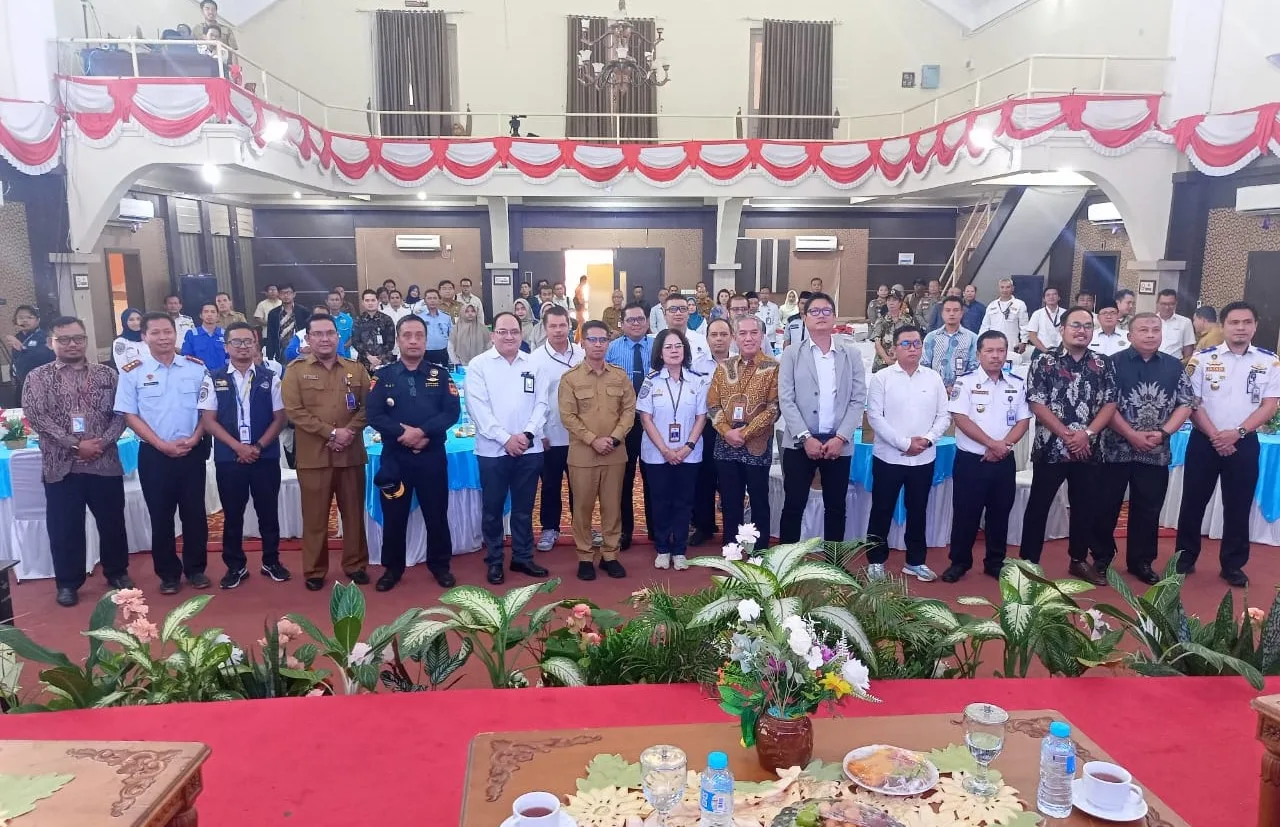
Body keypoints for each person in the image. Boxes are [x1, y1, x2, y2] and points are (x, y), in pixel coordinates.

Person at [23, 316, 132, 607]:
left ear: (86, 339)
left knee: (112, 522)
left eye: (78, 338)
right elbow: (37, 417)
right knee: (65, 526)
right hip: (61, 465)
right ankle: (68, 583)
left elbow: (122, 413)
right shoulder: (38, 377)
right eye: (65, 339)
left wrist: (101, 443)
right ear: (51, 343)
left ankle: (117, 572)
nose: (73, 344)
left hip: (103, 461)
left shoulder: (107, 375)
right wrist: (75, 445)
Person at [1177, 302, 1280, 587]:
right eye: (1234, 322)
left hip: (1244, 443)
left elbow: (1270, 405)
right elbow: (1192, 402)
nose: (1241, 328)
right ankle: (1184, 560)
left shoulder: (1269, 362)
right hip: (1204, 440)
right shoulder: (1202, 358)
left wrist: (1238, 432)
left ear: (1255, 326)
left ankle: (1233, 565)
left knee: (1238, 504)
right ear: (1223, 326)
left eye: (1247, 322)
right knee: (1193, 503)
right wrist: (1215, 435)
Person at [114, 311, 214, 594]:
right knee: (161, 516)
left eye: (167, 331)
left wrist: (195, 438)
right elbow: (129, 415)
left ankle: (196, 569)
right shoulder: (132, 372)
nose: (162, 337)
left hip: (191, 452)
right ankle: (168, 574)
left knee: (195, 513)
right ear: (144, 337)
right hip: (155, 455)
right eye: (155, 333)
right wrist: (160, 444)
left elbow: (206, 409)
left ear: (175, 333)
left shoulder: (196, 368)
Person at [1093, 313, 1194, 585]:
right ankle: (1101, 558)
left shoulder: (1175, 366)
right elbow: (1105, 405)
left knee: (1148, 508)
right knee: (1105, 505)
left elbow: (1186, 403)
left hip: (1155, 450)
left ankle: (1141, 562)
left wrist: (1164, 432)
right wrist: (1131, 435)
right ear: (1129, 335)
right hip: (1114, 449)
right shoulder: (1112, 364)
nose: (1150, 335)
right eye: (1143, 330)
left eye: (1155, 330)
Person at [1021, 307, 1117, 584]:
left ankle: (1078, 560)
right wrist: (1067, 435)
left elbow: (1110, 403)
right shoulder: (1045, 361)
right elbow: (1036, 402)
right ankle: (1028, 565)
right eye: (1075, 324)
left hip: (1088, 449)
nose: (1082, 330)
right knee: (1039, 507)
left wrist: (1086, 434)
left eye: (1088, 325)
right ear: (1062, 329)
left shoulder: (1103, 363)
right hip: (1050, 448)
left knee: (1085, 508)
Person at [366, 315, 461, 591]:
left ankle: (440, 566)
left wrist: (422, 433)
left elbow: (451, 412)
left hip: (431, 457)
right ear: (398, 340)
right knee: (394, 516)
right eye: (407, 335)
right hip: (396, 459)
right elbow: (374, 414)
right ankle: (392, 569)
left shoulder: (440, 375)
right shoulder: (383, 376)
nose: (413, 340)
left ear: (425, 339)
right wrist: (402, 433)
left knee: (436, 514)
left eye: (419, 335)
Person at [280, 313, 371, 591]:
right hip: (314, 456)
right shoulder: (295, 370)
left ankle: (355, 565)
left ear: (338, 337)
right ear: (308, 338)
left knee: (353, 514)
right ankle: (315, 570)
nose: (324, 338)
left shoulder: (356, 369)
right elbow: (294, 411)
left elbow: (369, 406)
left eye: (329, 333)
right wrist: (331, 433)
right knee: (316, 517)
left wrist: (348, 432)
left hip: (350, 454)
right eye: (317, 334)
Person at [202, 321, 290, 589]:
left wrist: (258, 447)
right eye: (236, 342)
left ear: (256, 345)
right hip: (230, 458)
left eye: (248, 342)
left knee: (268, 512)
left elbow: (280, 418)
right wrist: (238, 447)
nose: (243, 347)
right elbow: (209, 420)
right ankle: (235, 566)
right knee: (233, 513)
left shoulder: (270, 377)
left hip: (264, 457)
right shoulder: (213, 378)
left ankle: (271, 561)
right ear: (227, 347)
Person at [466, 312, 550, 585]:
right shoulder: (478, 366)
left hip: (530, 449)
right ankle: (494, 561)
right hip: (493, 452)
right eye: (503, 331)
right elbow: (478, 409)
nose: (509, 336)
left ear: (521, 334)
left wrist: (526, 435)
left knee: (524, 508)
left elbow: (542, 405)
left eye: (514, 331)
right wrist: (505, 439)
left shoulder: (534, 365)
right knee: (492, 509)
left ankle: (523, 557)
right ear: (493, 335)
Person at [941, 331, 1031, 582]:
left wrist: (1004, 446)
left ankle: (995, 562)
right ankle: (959, 562)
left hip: (1004, 460)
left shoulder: (1016, 382)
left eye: (1000, 351)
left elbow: (1023, 420)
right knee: (965, 514)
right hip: (972, 461)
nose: (995, 356)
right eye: (989, 351)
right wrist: (992, 444)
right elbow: (960, 418)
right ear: (979, 354)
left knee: (1000, 513)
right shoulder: (966, 382)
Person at [777, 292, 864, 544]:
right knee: (793, 505)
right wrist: (805, 438)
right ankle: (786, 564)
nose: (821, 316)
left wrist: (841, 437)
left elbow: (858, 399)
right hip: (799, 443)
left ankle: (833, 564)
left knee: (836, 507)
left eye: (826, 311)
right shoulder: (792, 354)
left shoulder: (851, 355)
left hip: (838, 444)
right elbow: (786, 399)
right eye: (814, 311)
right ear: (804, 318)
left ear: (834, 316)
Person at [865, 325, 949, 581]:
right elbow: (875, 418)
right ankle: (876, 561)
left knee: (918, 510)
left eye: (917, 344)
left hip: (923, 457)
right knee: (881, 509)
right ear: (893, 349)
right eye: (906, 344)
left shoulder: (933, 378)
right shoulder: (882, 378)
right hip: (889, 458)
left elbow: (943, 416)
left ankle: (915, 561)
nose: (913, 348)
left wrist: (927, 440)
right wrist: (904, 443)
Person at [558, 321, 635, 580]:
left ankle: (610, 555)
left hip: (614, 453)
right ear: (583, 343)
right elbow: (568, 416)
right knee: (582, 507)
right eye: (593, 339)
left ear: (608, 343)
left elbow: (628, 411)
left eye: (603, 339)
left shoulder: (620, 376)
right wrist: (593, 440)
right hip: (583, 455)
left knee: (612, 507)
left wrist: (613, 439)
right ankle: (585, 556)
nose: (599, 344)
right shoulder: (570, 379)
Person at [635, 328, 707, 570]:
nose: (674, 351)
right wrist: (665, 449)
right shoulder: (650, 381)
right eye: (668, 347)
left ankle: (680, 550)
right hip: (657, 454)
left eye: (678, 346)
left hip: (690, 453)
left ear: (685, 349)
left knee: (684, 501)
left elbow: (701, 417)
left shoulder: (697, 380)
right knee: (661, 501)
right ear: (660, 352)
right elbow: (645, 419)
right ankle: (663, 548)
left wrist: (687, 447)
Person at [707, 315, 778, 549]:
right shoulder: (724, 368)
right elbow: (713, 405)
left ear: (761, 336)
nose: (748, 338)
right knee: (730, 501)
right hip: (725, 446)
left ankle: (760, 552)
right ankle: (731, 550)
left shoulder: (773, 367)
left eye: (753, 333)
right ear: (735, 338)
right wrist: (727, 432)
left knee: (758, 500)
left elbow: (774, 409)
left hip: (757, 446)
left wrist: (745, 434)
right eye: (743, 334)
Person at [530, 306, 584, 553]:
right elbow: (530, 400)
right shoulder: (535, 359)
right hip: (549, 436)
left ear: (569, 326)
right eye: (553, 326)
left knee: (580, 485)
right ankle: (550, 528)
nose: (559, 330)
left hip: (580, 437)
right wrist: (538, 433)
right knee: (550, 485)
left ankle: (581, 528)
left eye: (563, 325)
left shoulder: (582, 355)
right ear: (545, 328)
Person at [605, 302, 655, 549]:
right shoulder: (611, 349)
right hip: (621, 423)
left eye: (640, 319)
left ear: (647, 322)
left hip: (653, 422)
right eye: (631, 320)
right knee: (622, 479)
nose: (636, 323)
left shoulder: (658, 346)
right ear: (622, 323)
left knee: (653, 477)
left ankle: (656, 529)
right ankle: (624, 531)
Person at [690, 317, 732, 545]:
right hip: (706, 428)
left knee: (730, 480)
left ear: (731, 337)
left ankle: (732, 529)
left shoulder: (740, 363)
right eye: (714, 335)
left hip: (734, 430)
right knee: (703, 478)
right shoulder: (696, 365)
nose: (718, 339)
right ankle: (704, 526)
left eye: (723, 334)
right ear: (706, 339)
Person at [922, 296, 979, 391]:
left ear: (961, 313)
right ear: (942, 313)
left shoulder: (972, 338)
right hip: (935, 389)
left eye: (955, 310)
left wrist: (957, 386)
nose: (951, 314)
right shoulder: (931, 337)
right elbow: (925, 365)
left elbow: (974, 366)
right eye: (948, 310)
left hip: (964, 390)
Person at [6, 305, 53, 391]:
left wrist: (22, 348)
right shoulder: (18, 337)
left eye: (30, 317)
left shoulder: (43, 337)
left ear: (38, 320)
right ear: (15, 321)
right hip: (21, 383)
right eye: (20, 317)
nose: (24, 320)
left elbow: (45, 358)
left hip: (40, 384)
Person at [979, 279, 1028, 360]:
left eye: (1008, 287)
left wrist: (1024, 342)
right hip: (992, 343)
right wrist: (980, 341)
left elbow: (1024, 325)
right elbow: (985, 326)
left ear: (1012, 288)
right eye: (1002, 287)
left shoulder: (1019, 304)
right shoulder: (992, 305)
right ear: (999, 289)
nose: (1005, 290)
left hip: (1011, 344)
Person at [870, 292, 917, 372]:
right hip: (883, 362)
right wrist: (887, 360)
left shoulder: (908, 320)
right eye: (889, 300)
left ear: (900, 303)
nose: (891, 303)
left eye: (894, 300)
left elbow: (911, 340)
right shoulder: (881, 321)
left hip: (902, 360)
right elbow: (877, 343)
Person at [353, 289, 396, 373]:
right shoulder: (358, 320)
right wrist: (369, 357)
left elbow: (390, 343)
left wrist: (378, 359)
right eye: (367, 300)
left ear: (378, 301)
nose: (370, 303)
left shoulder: (387, 319)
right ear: (363, 302)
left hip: (384, 361)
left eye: (373, 300)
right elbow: (355, 342)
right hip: (364, 362)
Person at [265, 284, 309, 362]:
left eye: (288, 293)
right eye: (282, 293)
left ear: (294, 294)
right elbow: (270, 335)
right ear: (278, 295)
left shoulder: (303, 311)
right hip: (281, 350)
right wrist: (270, 356)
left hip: (299, 349)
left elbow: (308, 332)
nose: (286, 295)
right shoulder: (273, 313)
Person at [182, 302, 227, 371]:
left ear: (218, 316)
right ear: (201, 315)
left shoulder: (225, 334)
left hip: (222, 376)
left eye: (213, 312)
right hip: (199, 375)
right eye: (206, 312)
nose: (209, 315)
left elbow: (231, 357)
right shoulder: (191, 334)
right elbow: (186, 357)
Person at [413, 287, 453, 365]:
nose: (432, 301)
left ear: (439, 300)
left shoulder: (446, 317)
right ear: (425, 301)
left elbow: (451, 335)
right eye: (429, 298)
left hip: (442, 352)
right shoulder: (419, 317)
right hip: (424, 352)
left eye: (435, 298)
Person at [1023, 287, 1064, 357]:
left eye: (1054, 294)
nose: (1051, 297)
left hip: (1061, 351)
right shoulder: (1037, 313)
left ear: (1059, 297)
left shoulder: (1066, 313)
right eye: (1048, 295)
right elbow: (1032, 335)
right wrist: (1046, 351)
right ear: (1044, 299)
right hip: (1042, 350)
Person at [1155, 289, 1196, 360]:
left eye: (1171, 304)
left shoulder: (1185, 322)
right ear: (1157, 303)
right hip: (1152, 362)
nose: (1167, 307)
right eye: (1163, 304)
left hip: (1175, 363)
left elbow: (1188, 348)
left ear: (1176, 304)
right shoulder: (1151, 321)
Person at [324, 290, 355, 358]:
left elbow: (353, 337)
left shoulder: (348, 319)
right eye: (332, 300)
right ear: (327, 302)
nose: (334, 302)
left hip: (345, 356)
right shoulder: (324, 319)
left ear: (341, 302)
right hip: (327, 356)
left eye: (337, 300)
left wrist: (342, 348)